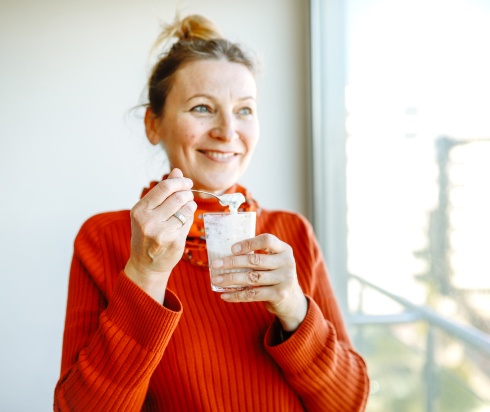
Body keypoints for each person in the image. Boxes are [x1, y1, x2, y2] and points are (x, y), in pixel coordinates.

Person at [54, 14, 369, 412]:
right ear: (154, 125)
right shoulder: (103, 239)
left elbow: (350, 403)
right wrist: (146, 275)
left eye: (245, 110)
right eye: (203, 108)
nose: (228, 131)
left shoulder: (292, 232)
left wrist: (294, 307)